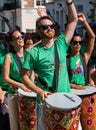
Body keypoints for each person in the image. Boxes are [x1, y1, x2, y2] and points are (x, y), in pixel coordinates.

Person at [22, 0, 78, 129]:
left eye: (51, 26)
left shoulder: (61, 44)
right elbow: (25, 77)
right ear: (38, 30)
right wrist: (39, 91)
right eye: (45, 27)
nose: (49, 28)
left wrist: (69, 2)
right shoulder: (33, 52)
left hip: (66, 98)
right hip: (46, 101)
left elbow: (73, 20)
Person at [67, 14, 95, 130]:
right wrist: (75, 86)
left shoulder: (84, 57)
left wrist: (85, 22)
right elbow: (62, 81)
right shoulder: (66, 60)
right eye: (75, 42)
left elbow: (92, 37)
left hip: (85, 94)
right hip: (71, 94)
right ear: (70, 44)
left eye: (80, 42)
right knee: (73, 127)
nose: (78, 44)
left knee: (89, 126)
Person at [3, 30, 31, 130]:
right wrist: (21, 85)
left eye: (22, 36)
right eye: (17, 37)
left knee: (30, 123)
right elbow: (5, 78)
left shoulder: (29, 54)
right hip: (14, 94)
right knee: (15, 124)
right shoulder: (9, 56)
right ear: (11, 42)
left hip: (30, 93)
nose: (21, 39)